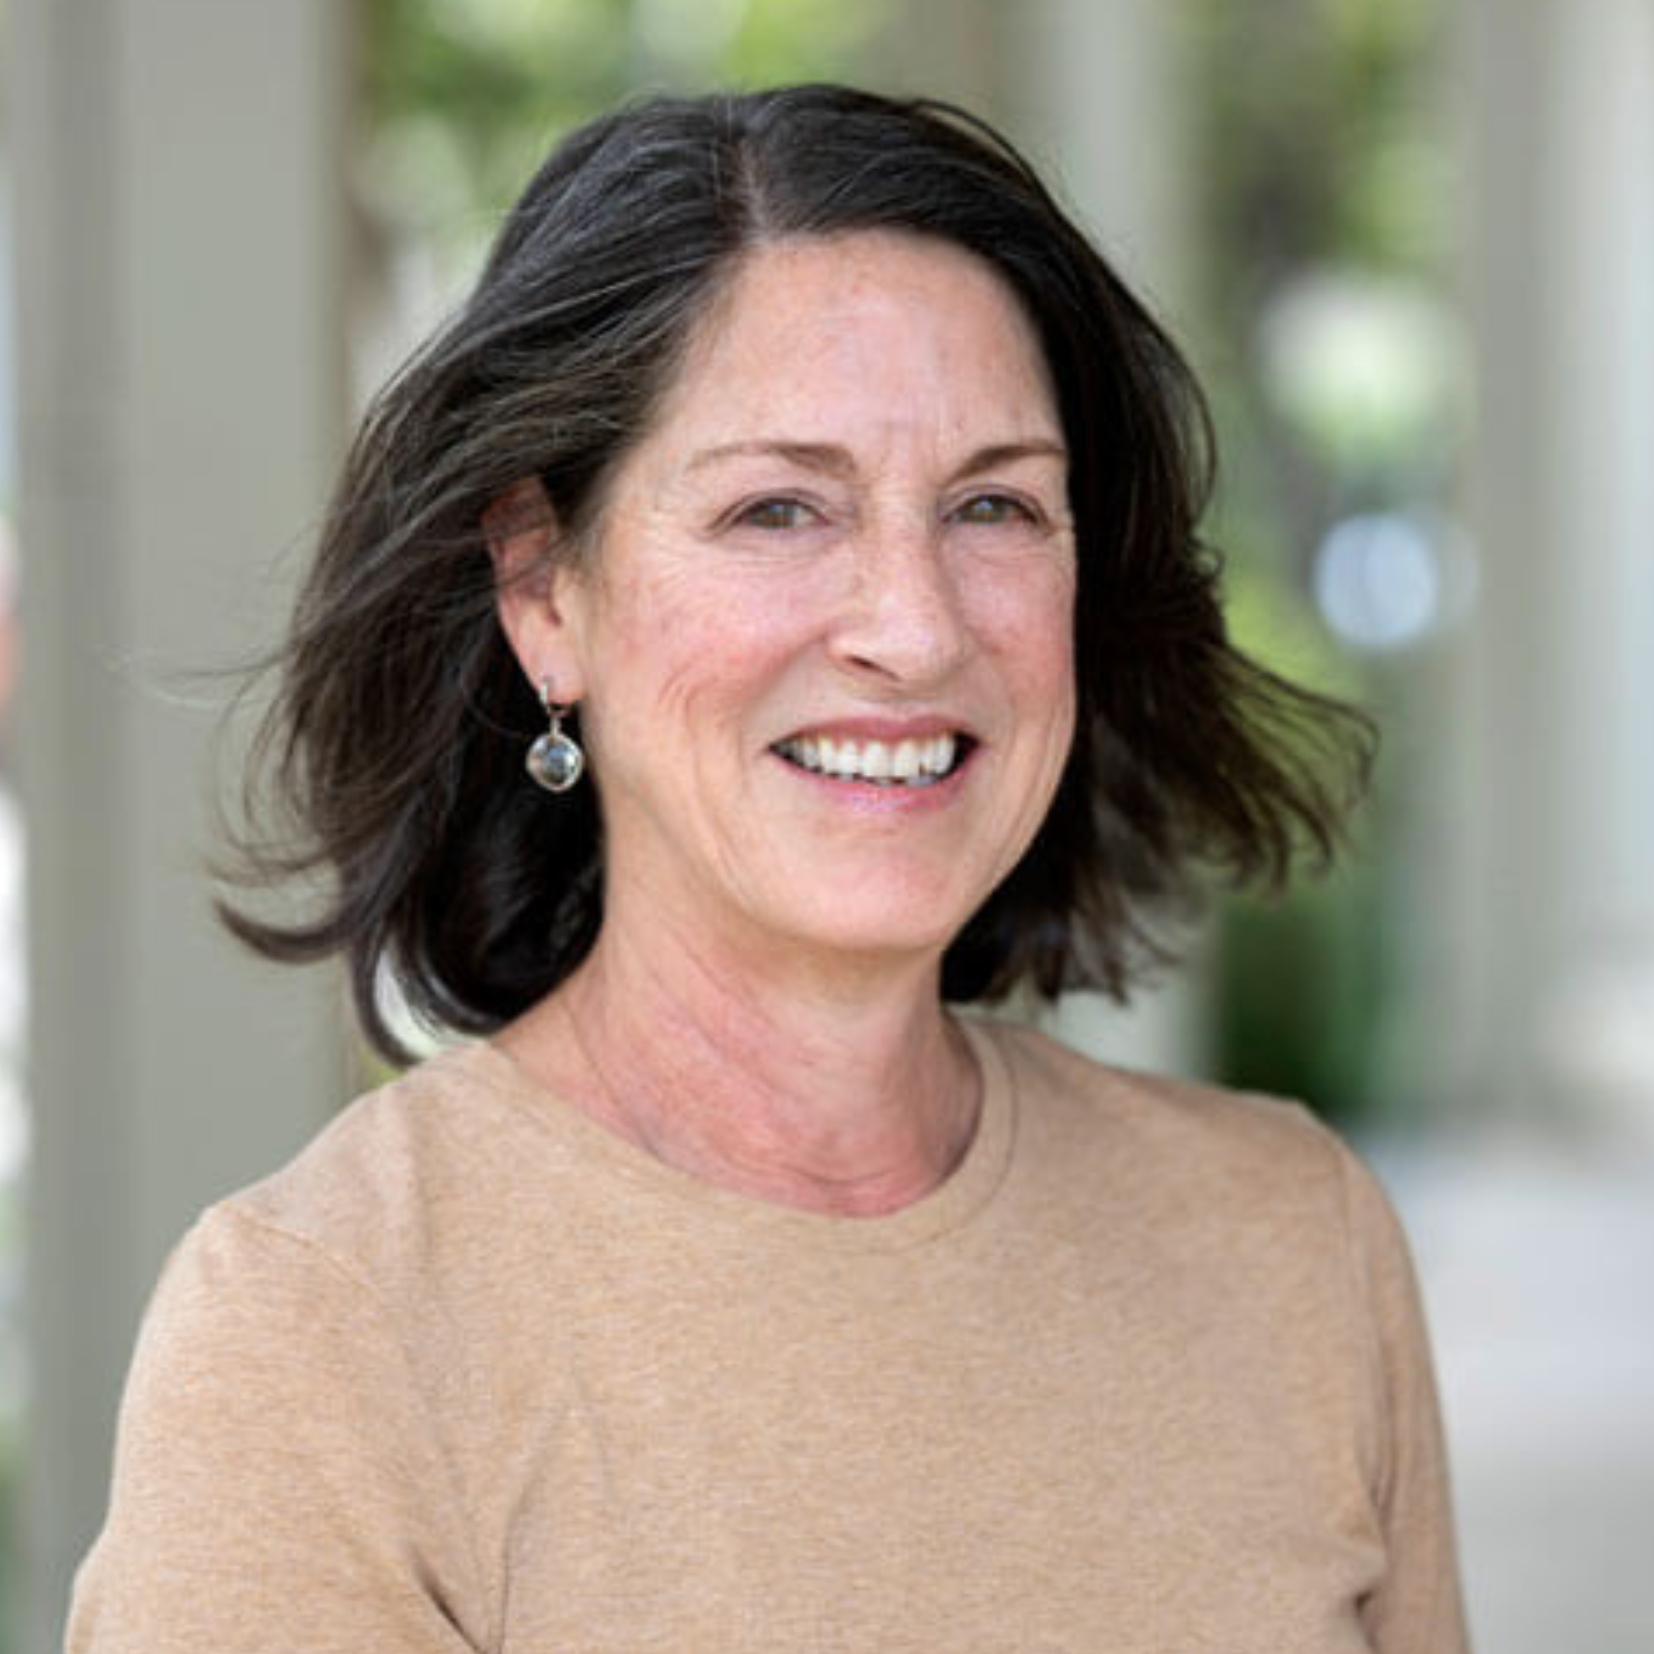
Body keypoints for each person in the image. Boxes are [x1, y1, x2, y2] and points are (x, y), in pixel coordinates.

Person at [67, 85, 1469, 1652]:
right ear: (543, 590)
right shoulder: (320, 1328)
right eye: (777, 507)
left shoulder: (1294, 1239)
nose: (914, 625)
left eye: (993, 503)